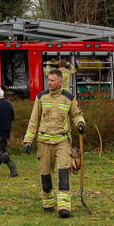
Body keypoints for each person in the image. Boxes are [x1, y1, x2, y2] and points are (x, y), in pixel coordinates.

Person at [22, 69, 85, 218]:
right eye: (48, 80)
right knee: (45, 176)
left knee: (63, 172)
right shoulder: (41, 97)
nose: (49, 83)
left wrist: (81, 123)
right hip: (44, 142)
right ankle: (48, 202)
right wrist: (28, 141)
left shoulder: (69, 98)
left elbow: (76, 115)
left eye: (52, 80)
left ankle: (64, 207)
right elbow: (34, 120)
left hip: (62, 141)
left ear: (60, 81)